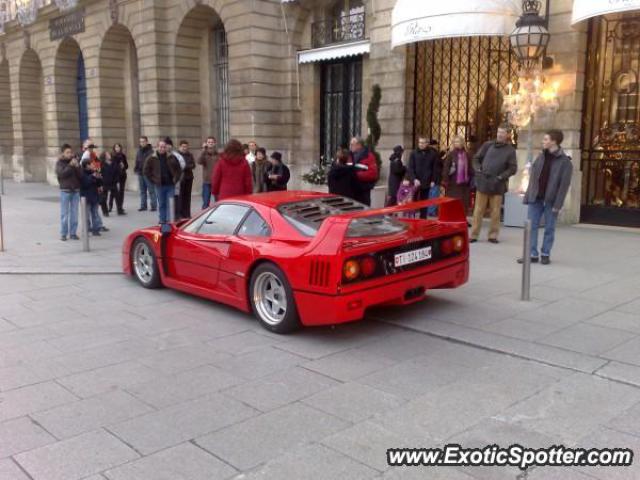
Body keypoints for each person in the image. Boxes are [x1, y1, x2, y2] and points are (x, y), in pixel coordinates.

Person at [518, 129, 573, 265]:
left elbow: (564, 186)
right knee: (531, 226)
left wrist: (558, 205)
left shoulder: (565, 162)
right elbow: (533, 178)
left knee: (549, 228)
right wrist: (528, 194)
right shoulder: (541, 156)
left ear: (554, 141)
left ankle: (545, 253)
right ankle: (532, 254)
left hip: (551, 200)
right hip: (536, 198)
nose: (543, 141)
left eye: (546, 139)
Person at [470, 125, 517, 243]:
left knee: (495, 212)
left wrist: (501, 177)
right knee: (478, 210)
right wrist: (478, 170)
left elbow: (513, 168)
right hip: (483, 182)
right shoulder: (487, 145)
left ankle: (493, 235)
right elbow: (476, 159)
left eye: (503, 132)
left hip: (498, 184)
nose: (500, 134)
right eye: (499, 132)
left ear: (507, 135)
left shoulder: (510, 150)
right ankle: (474, 235)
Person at [143, 139, 182, 225]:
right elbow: (146, 171)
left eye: (164, 147)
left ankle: (169, 221)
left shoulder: (172, 157)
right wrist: (153, 180)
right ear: (157, 147)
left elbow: (179, 170)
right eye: (160, 147)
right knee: (161, 203)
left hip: (170, 185)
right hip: (159, 185)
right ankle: (162, 220)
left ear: (166, 148)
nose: (162, 148)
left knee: (170, 203)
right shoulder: (151, 158)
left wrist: (175, 179)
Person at [408, 137, 441, 218]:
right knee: (413, 201)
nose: (421, 144)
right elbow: (411, 168)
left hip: (427, 181)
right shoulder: (413, 153)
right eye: (420, 142)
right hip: (416, 182)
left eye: (423, 143)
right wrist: (414, 179)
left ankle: (423, 219)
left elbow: (435, 168)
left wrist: (433, 180)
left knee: (424, 202)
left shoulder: (432, 154)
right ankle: (412, 218)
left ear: (427, 143)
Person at [55, 143, 82, 241]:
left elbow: (81, 176)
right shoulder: (59, 163)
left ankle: (73, 233)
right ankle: (63, 233)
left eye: (70, 152)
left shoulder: (74, 162)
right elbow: (61, 174)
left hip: (75, 190)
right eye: (67, 152)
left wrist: (78, 166)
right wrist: (70, 166)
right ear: (63, 153)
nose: (70, 154)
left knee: (74, 213)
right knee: (64, 214)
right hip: (65, 191)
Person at [442, 135, 473, 214]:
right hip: (453, 183)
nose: (456, 143)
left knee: (463, 203)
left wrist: (471, 178)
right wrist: (446, 180)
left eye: (458, 141)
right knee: (453, 202)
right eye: (455, 142)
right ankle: (452, 219)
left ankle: (462, 219)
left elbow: (470, 168)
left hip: (464, 184)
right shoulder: (451, 154)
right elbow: (446, 167)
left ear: (462, 143)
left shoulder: (467, 154)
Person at [349, 137, 379, 206]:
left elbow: (373, 174)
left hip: (363, 191)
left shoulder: (368, 156)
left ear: (359, 145)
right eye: (350, 144)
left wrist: (355, 175)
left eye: (352, 144)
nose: (350, 146)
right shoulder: (349, 156)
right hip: (351, 191)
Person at [80, 157, 105, 236]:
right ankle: (87, 229)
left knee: (95, 213)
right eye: (91, 164)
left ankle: (96, 229)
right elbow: (85, 184)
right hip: (86, 197)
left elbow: (99, 184)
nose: (93, 165)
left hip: (94, 196)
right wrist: (93, 176)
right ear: (87, 165)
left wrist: (99, 178)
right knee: (86, 215)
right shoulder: (82, 173)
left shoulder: (94, 172)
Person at [134, 136, 157, 212]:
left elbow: (153, 163)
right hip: (140, 173)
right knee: (142, 191)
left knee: (151, 190)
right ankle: (143, 206)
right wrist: (136, 169)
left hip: (148, 174)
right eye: (141, 142)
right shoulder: (139, 151)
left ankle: (153, 206)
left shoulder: (151, 151)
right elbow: (137, 160)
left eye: (143, 141)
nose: (142, 143)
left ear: (147, 142)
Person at [198, 137, 218, 209]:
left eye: (212, 142)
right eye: (209, 142)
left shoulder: (217, 154)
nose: (210, 144)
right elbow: (199, 161)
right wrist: (203, 150)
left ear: (214, 143)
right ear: (206, 143)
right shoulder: (204, 154)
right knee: (206, 202)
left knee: (218, 202)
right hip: (207, 181)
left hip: (216, 181)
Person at [177, 140, 196, 219]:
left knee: (187, 197)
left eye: (186, 147)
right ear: (180, 147)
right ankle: (180, 214)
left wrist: (185, 166)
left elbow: (193, 165)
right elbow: (178, 166)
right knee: (180, 196)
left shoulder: (190, 155)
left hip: (189, 178)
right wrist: (186, 166)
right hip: (180, 178)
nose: (184, 148)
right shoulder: (177, 155)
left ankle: (187, 213)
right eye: (183, 147)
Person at [100, 151, 119, 216]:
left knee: (117, 196)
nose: (109, 155)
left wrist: (116, 180)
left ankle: (119, 209)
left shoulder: (113, 163)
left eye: (109, 154)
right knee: (104, 198)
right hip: (105, 183)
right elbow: (101, 174)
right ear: (104, 156)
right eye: (107, 154)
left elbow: (117, 172)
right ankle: (105, 211)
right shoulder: (102, 164)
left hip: (113, 182)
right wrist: (101, 183)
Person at [111, 143, 128, 215]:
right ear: (114, 148)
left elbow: (127, 166)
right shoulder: (113, 156)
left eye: (118, 147)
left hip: (123, 175)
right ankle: (117, 207)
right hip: (116, 176)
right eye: (116, 147)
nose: (117, 148)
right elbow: (112, 166)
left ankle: (120, 206)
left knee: (121, 191)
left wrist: (124, 166)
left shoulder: (123, 155)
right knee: (116, 193)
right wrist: (118, 166)